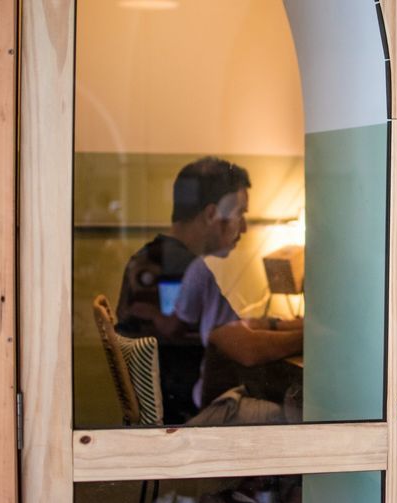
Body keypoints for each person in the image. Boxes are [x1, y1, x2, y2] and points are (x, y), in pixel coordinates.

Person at [116, 156, 302, 424]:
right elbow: (247, 349)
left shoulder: (152, 258)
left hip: (165, 411)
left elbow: (231, 327)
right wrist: (311, 339)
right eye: (241, 213)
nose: (245, 227)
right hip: (184, 420)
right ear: (212, 214)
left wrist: (282, 325)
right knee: (290, 414)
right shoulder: (183, 269)